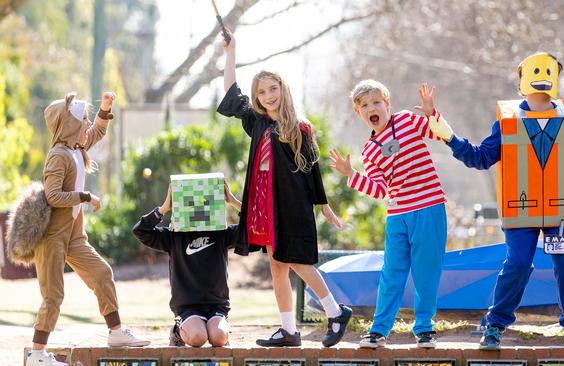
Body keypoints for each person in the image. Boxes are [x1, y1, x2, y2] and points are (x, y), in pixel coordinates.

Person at [429, 52, 564, 350]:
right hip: (521, 210)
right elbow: (480, 158)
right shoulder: (508, 122)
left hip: (560, 210)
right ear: (522, 81)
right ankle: (495, 325)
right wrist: (449, 137)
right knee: (518, 263)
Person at [216, 30, 352, 348]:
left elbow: (312, 170)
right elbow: (229, 91)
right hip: (264, 202)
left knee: (296, 261)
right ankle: (289, 330)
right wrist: (230, 53)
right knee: (277, 267)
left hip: (291, 203)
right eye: (262, 92)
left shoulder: (299, 127)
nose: (268, 95)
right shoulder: (257, 122)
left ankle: (335, 311)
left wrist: (325, 206)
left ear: (282, 89)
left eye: (273, 88)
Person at [26, 92, 149, 366]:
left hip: (72, 237)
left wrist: (105, 110)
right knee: (54, 295)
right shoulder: (58, 155)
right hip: (51, 238)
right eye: (81, 120)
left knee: (102, 272)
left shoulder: (76, 149)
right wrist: (85, 196)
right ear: (68, 126)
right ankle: (37, 355)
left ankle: (116, 332)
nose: (85, 126)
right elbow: (53, 196)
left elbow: (96, 133)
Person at [330, 80, 448, 349]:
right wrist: (351, 175)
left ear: (387, 104)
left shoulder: (407, 120)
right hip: (398, 215)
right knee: (391, 273)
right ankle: (379, 331)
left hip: (429, 208)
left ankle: (424, 329)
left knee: (426, 272)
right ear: (358, 113)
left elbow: (440, 134)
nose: (371, 108)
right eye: (364, 105)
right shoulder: (370, 150)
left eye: (376, 102)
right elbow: (379, 190)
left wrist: (431, 113)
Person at [132, 181, 242, 348]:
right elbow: (140, 231)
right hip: (188, 307)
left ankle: (221, 329)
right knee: (198, 337)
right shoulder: (174, 235)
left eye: (205, 202)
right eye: (191, 204)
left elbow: (254, 226)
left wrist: (232, 201)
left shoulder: (221, 232)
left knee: (218, 338)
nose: (198, 207)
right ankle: (178, 331)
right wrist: (163, 208)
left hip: (216, 304)